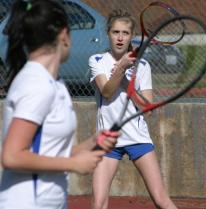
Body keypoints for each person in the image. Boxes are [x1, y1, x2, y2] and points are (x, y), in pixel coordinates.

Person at [0, 1, 118, 209]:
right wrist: (73, 164)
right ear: (64, 35)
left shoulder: (55, 83)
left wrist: (91, 143)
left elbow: (49, 152)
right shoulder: (36, 84)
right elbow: (12, 156)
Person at [89, 10, 178, 209]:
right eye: (115, 32)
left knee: (161, 199)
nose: (120, 38)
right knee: (98, 202)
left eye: (125, 33)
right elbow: (106, 91)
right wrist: (120, 69)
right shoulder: (97, 61)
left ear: (131, 36)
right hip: (108, 139)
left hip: (138, 138)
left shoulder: (143, 65)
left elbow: (147, 108)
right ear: (108, 33)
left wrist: (129, 82)